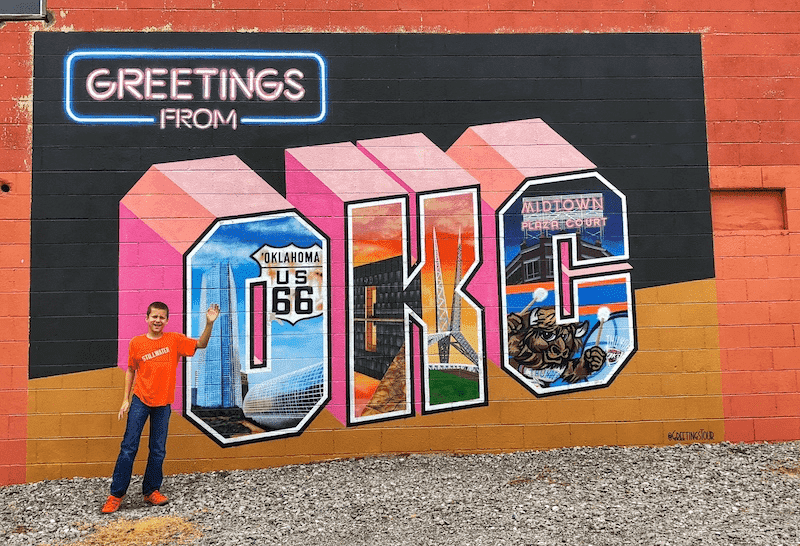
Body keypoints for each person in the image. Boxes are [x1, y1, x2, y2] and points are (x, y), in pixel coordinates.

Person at [101, 301, 220, 514]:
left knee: (157, 450)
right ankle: (116, 495)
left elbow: (201, 344)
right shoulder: (136, 343)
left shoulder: (174, 340)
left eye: (161, 317)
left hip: (163, 404)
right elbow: (130, 370)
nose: (157, 320)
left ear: (166, 320)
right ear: (147, 319)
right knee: (129, 448)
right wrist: (125, 399)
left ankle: (151, 491)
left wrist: (209, 323)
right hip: (140, 400)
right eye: (154, 316)